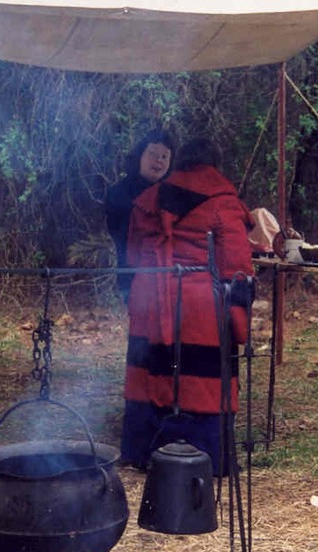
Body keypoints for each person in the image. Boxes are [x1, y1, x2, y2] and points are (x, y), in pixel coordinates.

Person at [122, 137, 255, 475]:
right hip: (199, 305)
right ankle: (203, 456)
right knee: (202, 378)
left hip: (150, 297)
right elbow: (235, 264)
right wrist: (240, 314)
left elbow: (134, 255)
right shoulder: (223, 203)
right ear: (214, 164)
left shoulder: (149, 197)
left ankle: (143, 452)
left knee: (151, 371)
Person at [105, 129, 175, 301]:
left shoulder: (173, 193)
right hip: (133, 276)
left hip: (169, 278)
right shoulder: (119, 192)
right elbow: (118, 235)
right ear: (139, 156)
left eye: (165, 156)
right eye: (153, 154)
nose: (159, 160)